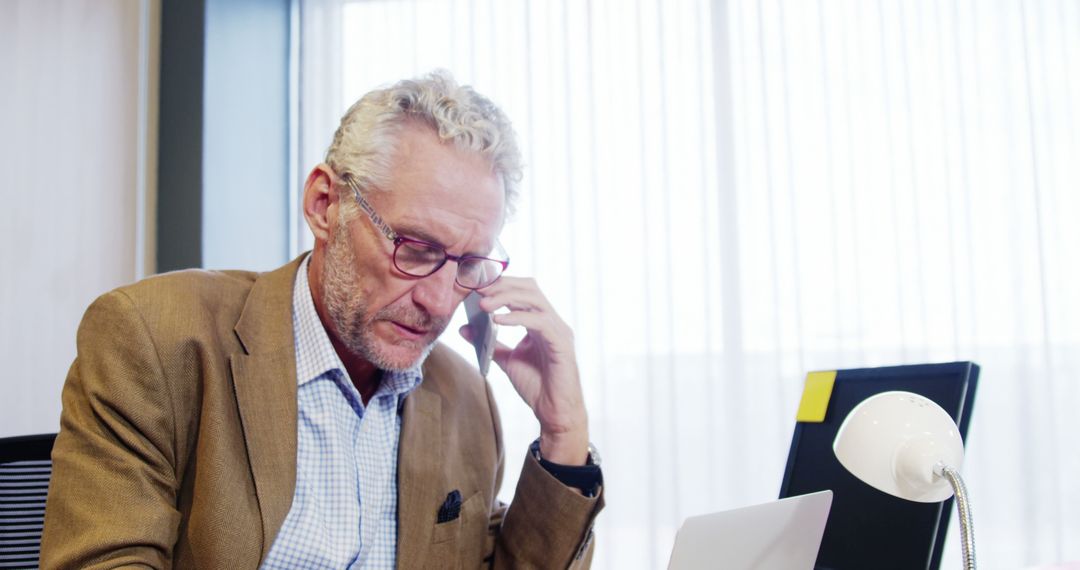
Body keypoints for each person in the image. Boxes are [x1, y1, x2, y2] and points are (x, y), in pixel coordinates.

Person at [42, 71, 603, 569]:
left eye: (468, 264)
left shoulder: (463, 398)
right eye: (414, 247)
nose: (438, 300)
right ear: (325, 205)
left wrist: (564, 431)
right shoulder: (155, 338)